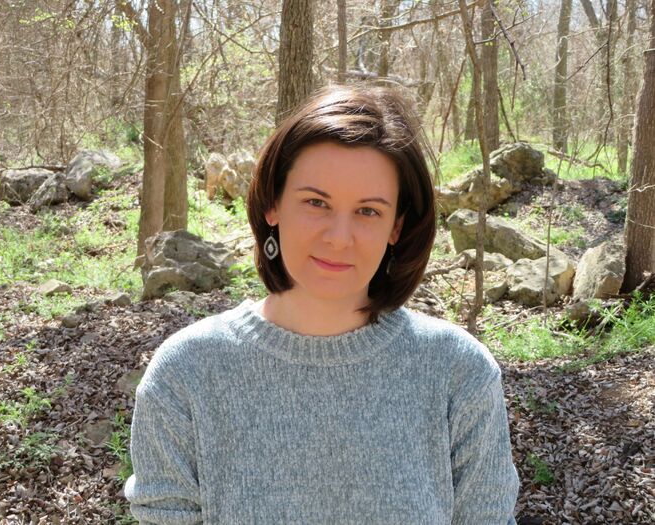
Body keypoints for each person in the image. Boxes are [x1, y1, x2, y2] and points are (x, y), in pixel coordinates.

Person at [124, 84, 519, 524]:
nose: (338, 237)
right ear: (273, 204)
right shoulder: (185, 373)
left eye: (368, 211)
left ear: (396, 226)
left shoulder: (459, 372)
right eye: (316, 202)